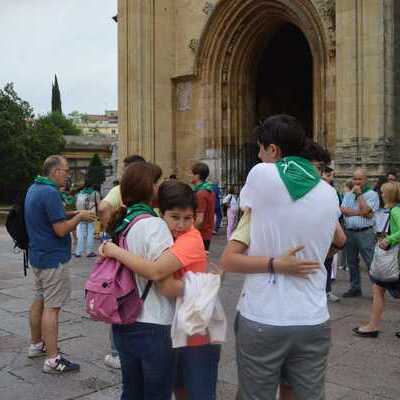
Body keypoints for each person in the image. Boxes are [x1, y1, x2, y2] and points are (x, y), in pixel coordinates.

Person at [220, 115, 345, 400]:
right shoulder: (328, 193)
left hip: (265, 315)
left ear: (273, 150)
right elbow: (338, 238)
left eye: (261, 149)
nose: (259, 156)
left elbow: (250, 214)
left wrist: (276, 261)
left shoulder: (262, 175)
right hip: (314, 319)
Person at [101, 180, 224, 400]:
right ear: (161, 213)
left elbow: (160, 277)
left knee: (199, 393)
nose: (181, 224)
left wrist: (114, 251)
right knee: (180, 389)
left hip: (197, 327)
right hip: (181, 324)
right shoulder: (167, 237)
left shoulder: (189, 239)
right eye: (175, 217)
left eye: (188, 218)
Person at [101, 161, 176, 399]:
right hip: (152, 321)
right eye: (157, 182)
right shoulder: (153, 225)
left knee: (132, 391)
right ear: (148, 187)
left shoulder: (124, 223)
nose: (160, 187)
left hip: (124, 319)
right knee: (157, 392)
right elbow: (160, 276)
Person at [25, 155, 96, 374]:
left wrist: (73, 213)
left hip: (37, 256)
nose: (68, 175)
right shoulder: (50, 192)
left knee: (40, 298)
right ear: (55, 171)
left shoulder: (35, 188)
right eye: (66, 171)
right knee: (52, 308)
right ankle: (53, 360)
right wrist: (81, 216)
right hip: (53, 259)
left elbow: (52, 217)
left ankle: (37, 345)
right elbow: (61, 229)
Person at [98, 153, 145, 369]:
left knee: (120, 298)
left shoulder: (120, 189)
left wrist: (110, 230)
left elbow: (103, 208)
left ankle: (117, 352)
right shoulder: (147, 189)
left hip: (124, 250)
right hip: (145, 252)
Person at [353, 181, 400, 338]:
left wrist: (390, 239)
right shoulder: (388, 210)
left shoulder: (394, 211)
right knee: (377, 289)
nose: (381, 194)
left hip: (393, 258)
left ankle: (373, 326)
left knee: (378, 289)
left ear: (389, 194)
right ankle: (372, 325)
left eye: (383, 191)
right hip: (389, 258)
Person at [341, 168, 380, 297]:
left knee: (370, 261)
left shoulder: (372, 194)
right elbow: (343, 210)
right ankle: (355, 287)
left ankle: (377, 289)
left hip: (365, 233)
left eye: (359, 179)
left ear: (365, 180)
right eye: (355, 178)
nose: (356, 182)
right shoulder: (348, 194)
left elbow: (369, 214)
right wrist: (360, 212)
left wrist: (359, 195)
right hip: (350, 232)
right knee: (351, 261)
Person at [98, 154, 145, 229]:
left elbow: (103, 208)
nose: (122, 173)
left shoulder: (120, 189)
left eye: (123, 170)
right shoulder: (120, 189)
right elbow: (103, 208)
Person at [321, 166, 340, 303]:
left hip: (329, 230)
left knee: (327, 262)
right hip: (317, 230)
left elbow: (336, 212)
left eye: (331, 175)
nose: (330, 178)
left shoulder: (332, 191)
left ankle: (327, 290)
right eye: (328, 175)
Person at [190, 162, 216, 251]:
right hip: (206, 234)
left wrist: (189, 233)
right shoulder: (209, 190)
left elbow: (199, 220)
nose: (190, 176)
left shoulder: (201, 193)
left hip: (201, 234)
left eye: (192, 174)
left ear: (197, 176)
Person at [74, 181, 100, 257]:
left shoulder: (79, 193)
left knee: (80, 234)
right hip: (91, 215)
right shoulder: (95, 193)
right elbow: (98, 205)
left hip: (81, 214)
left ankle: (78, 252)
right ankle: (89, 252)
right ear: (92, 185)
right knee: (90, 233)